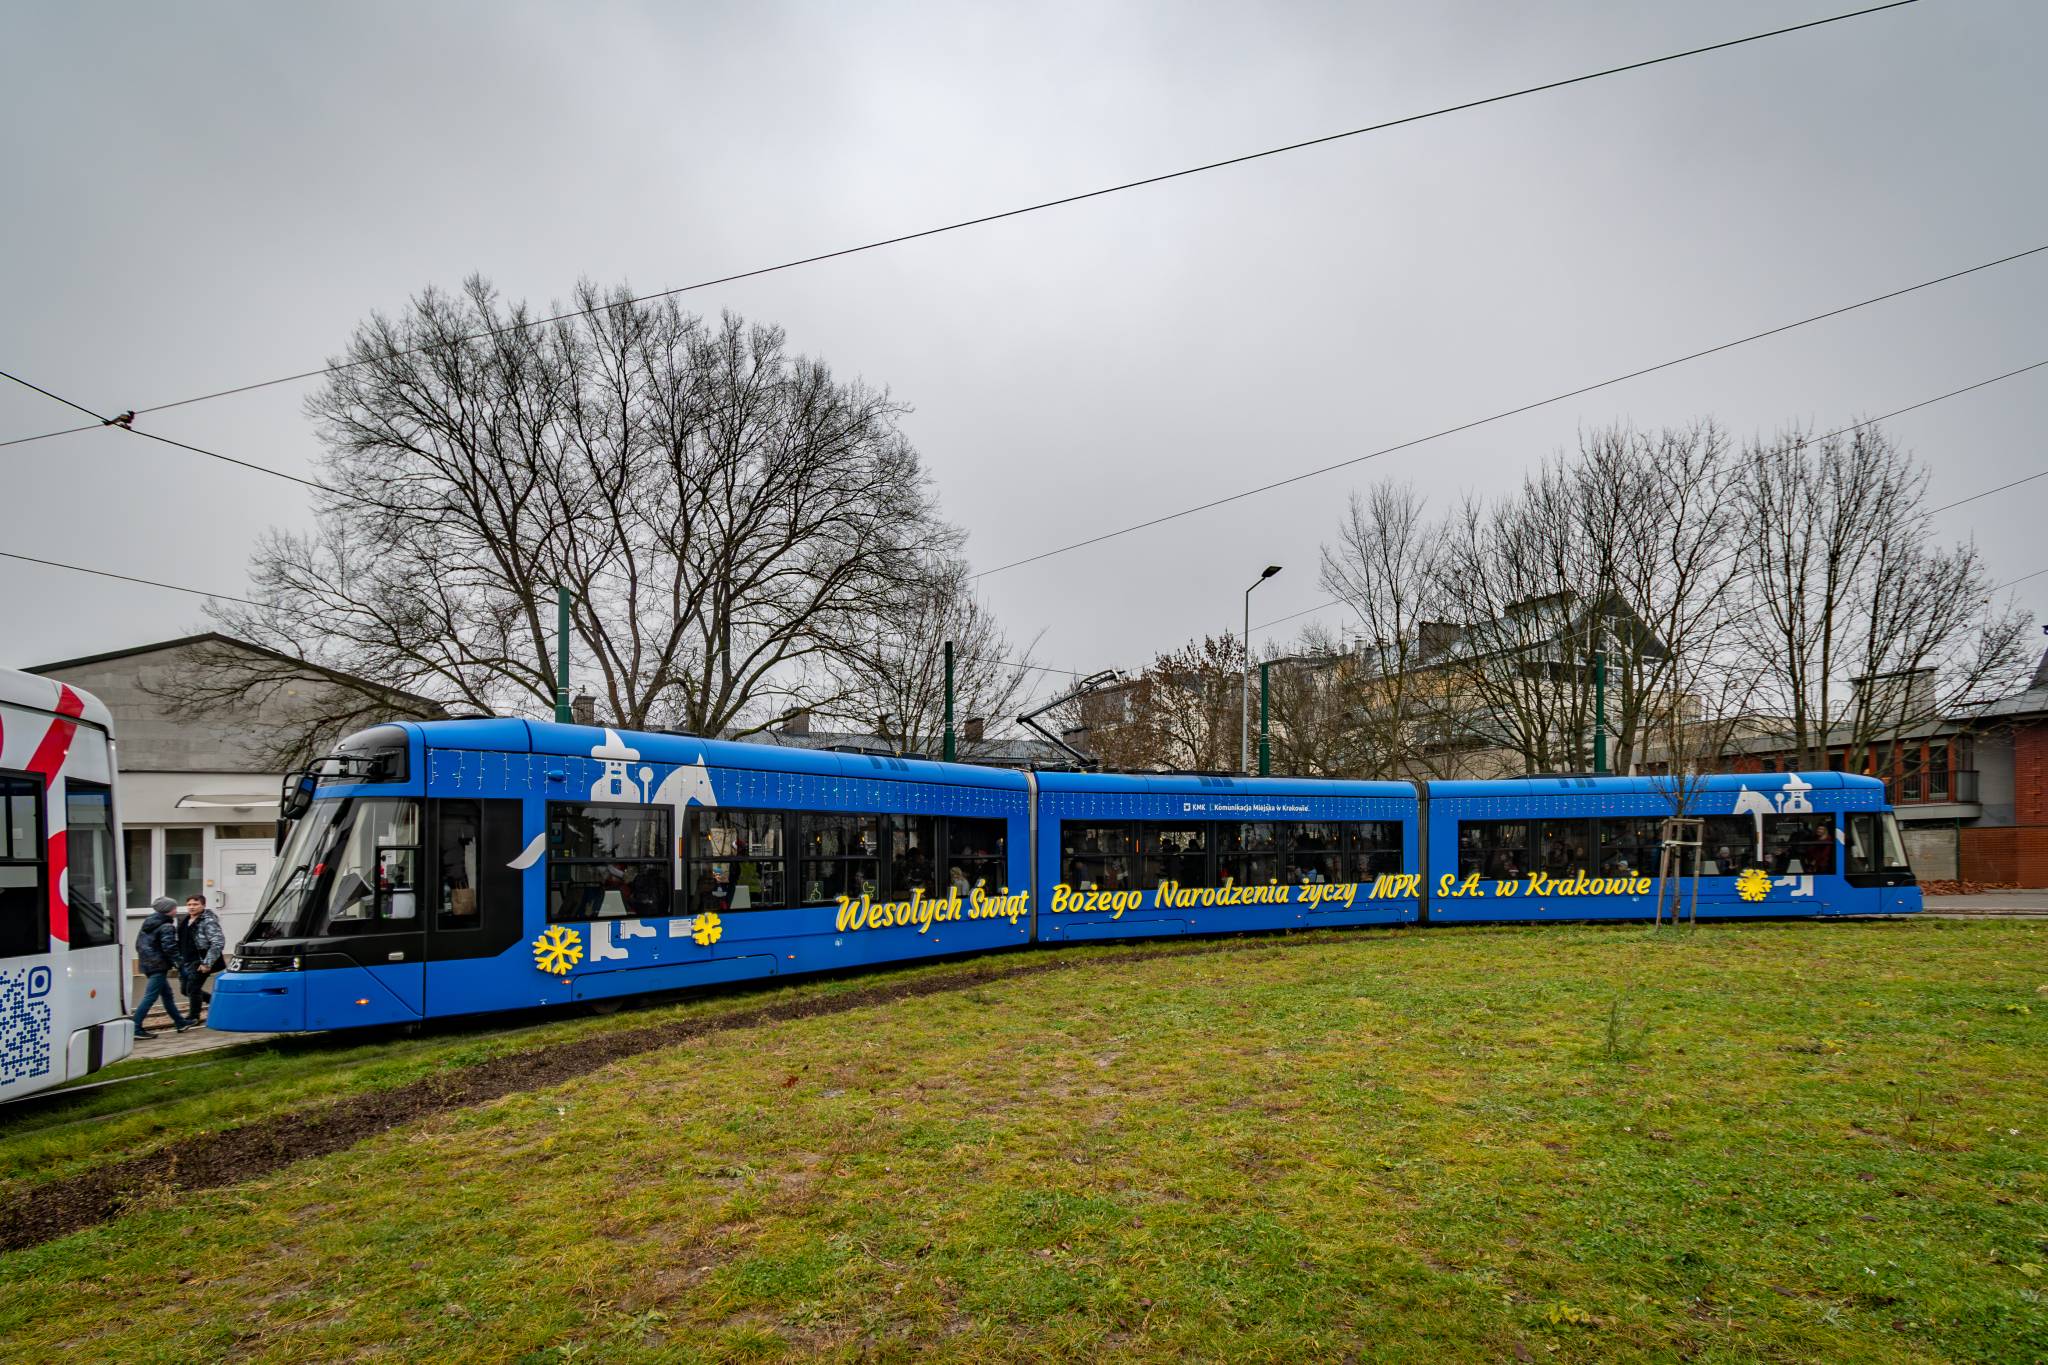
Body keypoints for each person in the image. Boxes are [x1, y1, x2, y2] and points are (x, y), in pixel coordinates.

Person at [130, 897, 191, 1038]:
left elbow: (139, 945)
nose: (176, 910)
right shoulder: (166, 926)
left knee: (167, 995)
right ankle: (135, 1028)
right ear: (168, 910)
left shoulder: (148, 923)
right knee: (150, 996)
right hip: (158, 966)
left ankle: (180, 1023)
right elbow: (170, 948)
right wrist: (180, 964)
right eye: (174, 908)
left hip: (147, 964)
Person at [178, 894, 225, 1025]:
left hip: (200, 961)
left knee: (193, 988)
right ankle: (217, 1002)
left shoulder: (208, 921)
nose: (191, 907)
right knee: (184, 990)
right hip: (186, 960)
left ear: (203, 905)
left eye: (195, 904)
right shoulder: (184, 920)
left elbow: (218, 942)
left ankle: (193, 1017)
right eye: (189, 904)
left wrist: (207, 963)